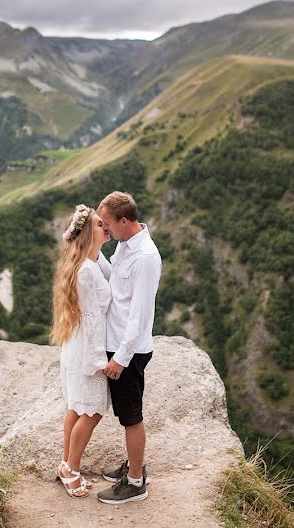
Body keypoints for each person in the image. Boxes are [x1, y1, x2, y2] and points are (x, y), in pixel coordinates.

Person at [94, 191, 161, 505]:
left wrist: (121, 358)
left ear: (124, 220)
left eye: (107, 224)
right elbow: (116, 284)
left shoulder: (145, 257)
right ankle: (134, 465)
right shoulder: (124, 245)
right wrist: (94, 252)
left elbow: (140, 316)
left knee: (131, 417)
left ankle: (135, 482)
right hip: (119, 342)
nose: (105, 230)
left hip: (128, 348)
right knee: (126, 412)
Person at [51, 204, 112, 498]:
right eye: (101, 224)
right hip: (87, 351)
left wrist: (97, 251)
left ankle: (66, 463)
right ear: (89, 232)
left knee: (76, 408)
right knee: (93, 412)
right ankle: (71, 468)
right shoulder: (87, 272)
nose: (107, 227)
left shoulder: (88, 263)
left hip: (74, 348)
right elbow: (92, 320)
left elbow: (106, 272)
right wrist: (100, 360)